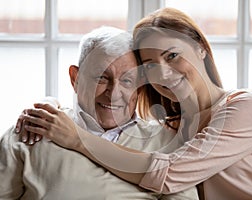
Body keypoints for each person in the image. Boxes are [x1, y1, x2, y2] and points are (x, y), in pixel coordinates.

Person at [14, 8, 252, 199]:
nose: (162, 72)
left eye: (172, 56)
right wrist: (47, 107)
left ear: (200, 47)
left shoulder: (247, 106)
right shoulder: (172, 126)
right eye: (150, 64)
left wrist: (78, 139)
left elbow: (168, 174)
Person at [0, 25, 198, 199]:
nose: (114, 93)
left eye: (127, 81)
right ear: (75, 78)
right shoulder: (29, 132)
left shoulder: (167, 144)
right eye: (102, 78)